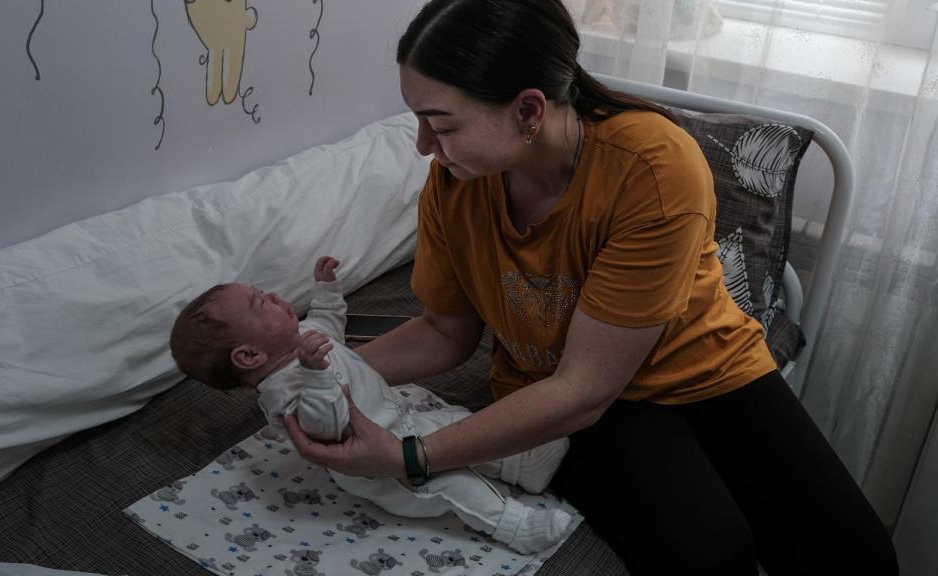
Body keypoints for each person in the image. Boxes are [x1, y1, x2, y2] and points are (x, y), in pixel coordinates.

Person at [280, 1, 901, 575]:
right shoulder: (455, 185)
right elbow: (446, 331)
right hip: (569, 392)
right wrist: (323, 370)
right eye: (418, 121)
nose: (423, 148)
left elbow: (585, 388)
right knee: (712, 555)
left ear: (528, 110)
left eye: (440, 125)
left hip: (699, 369)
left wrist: (409, 455)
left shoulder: (653, 168)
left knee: (857, 557)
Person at [169, 256, 573, 554]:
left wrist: (326, 291)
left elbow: (329, 325)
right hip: (374, 466)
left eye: (262, 293)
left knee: (460, 425)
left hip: (403, 419)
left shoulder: (301, 336)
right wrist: (315, 372)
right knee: (452, 485)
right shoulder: (283, 391)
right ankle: (515, 525)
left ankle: (524, 463)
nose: (274, 296)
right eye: (261, 304)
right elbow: (327, 427)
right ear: (249, 357)